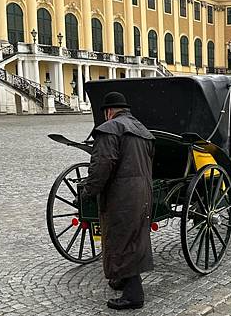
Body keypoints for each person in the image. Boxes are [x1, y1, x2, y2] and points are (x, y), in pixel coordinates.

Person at [83, 92, 155, 310]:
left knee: (121, 237)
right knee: (134, 236)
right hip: (143, 191)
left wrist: (89, 190)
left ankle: (134, 295)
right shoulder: (143, 130)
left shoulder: (110, 129)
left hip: (121, 194)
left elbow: (101, 166)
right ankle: (122, 278)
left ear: (108, 112)